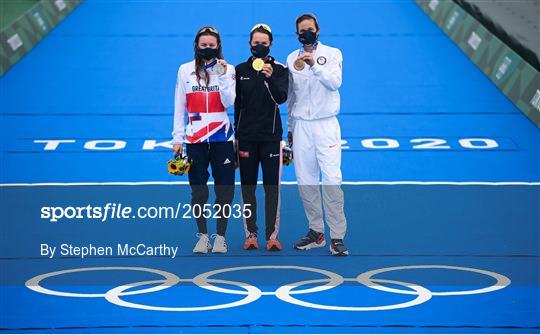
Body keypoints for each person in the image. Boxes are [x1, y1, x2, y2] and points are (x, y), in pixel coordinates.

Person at [286, 14, 349, 256]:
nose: (306, 33)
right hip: (302, 126)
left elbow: (335, 82)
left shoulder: (333, 54)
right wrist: (290, 128)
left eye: (310, 29)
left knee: (332, 178)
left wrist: (314, 65)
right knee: (306, 180)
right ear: (297, 34)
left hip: (326, 125)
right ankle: (316, 232)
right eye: (302, 30)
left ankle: (337, 236)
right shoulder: (291, 59)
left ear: (318, 30)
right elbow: (292, 98)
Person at [171, 26, 236, 254]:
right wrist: (177, 138)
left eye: (212, 45)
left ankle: (220, 237)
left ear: (218, 46)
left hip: (222, 138)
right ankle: (203, 236)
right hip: (195, 139)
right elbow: (180, 106)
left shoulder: (228, 70)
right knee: (198, 191)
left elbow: (229, 102)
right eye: (204, 45)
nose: (207, 48)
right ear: (197, 46)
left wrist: (222, 75)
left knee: (224, 190)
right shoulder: (184, 70)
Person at [234, 23, 289, 251]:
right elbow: (237, 105)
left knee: (271, 188)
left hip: (271, 137)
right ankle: (251, 235)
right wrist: (235, 137)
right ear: (249, 45)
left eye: (263, 43)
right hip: (246, 137)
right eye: (255, 43)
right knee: (248, 187)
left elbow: (281, 98)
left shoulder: (281, 69)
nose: (259, 46)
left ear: (270, 45)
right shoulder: (239, 71)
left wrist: (270, 78)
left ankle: (272, 236)